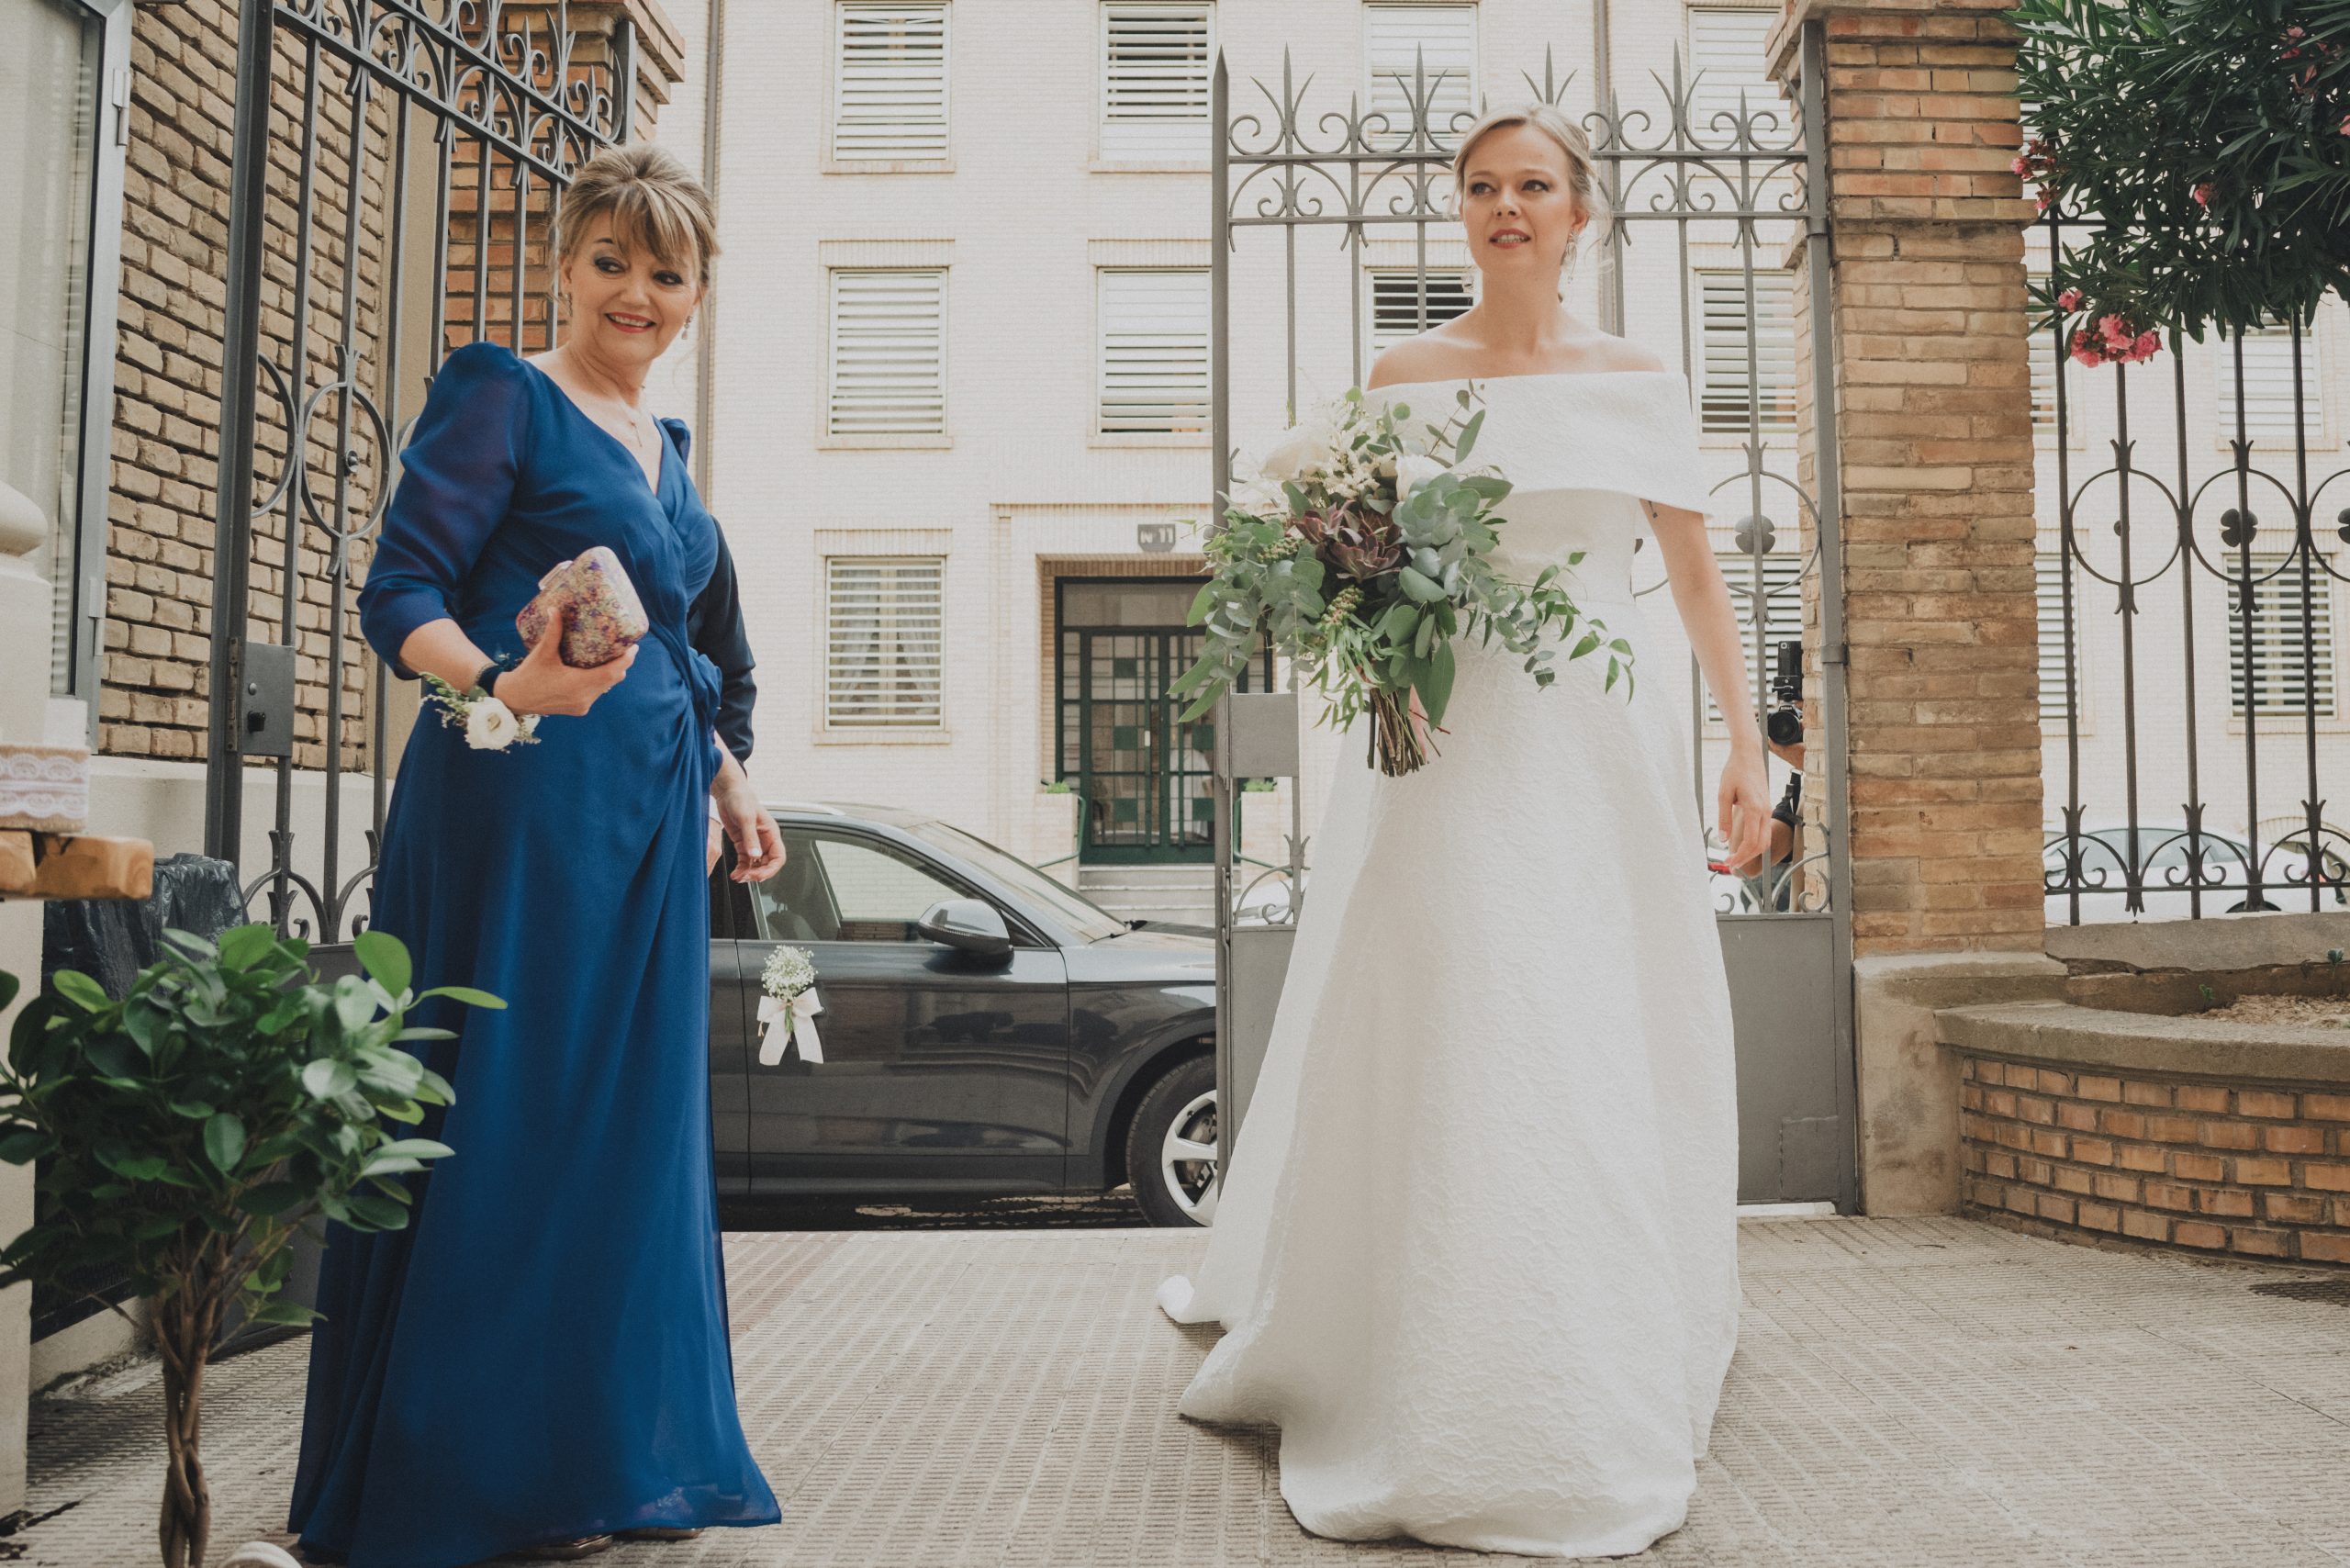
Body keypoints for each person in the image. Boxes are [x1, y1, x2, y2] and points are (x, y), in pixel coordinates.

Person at [1156, 105, 1769, 1558]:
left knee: (1585, 1016)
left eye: (1534, 185)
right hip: (1441, 736)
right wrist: (1345, 618)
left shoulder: (1641, 379)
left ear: (1579, 213)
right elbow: (1359, 566)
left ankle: (1593, 1335)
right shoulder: (1403, 377)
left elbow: (1694, 579)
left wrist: (1748, 744)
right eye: (1483, 186)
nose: (1507, 206)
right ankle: (1424, 1329)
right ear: (1463, 212)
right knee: (1456, 1006)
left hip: (1596, 736)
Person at [289, 143, 786, 1566]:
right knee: (513, 1109)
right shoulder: (503, 392)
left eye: (667, 273)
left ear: (697, 296)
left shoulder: (669, 455)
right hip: (519, 806)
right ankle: (476, 1473)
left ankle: (600, 1461)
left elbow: (697, 651)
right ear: (566, 264)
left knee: (623, 1138)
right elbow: (400, 595)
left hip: (652, 829)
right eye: (612, 261)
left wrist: (731, 778)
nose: (638, 292)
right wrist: (500, 689)